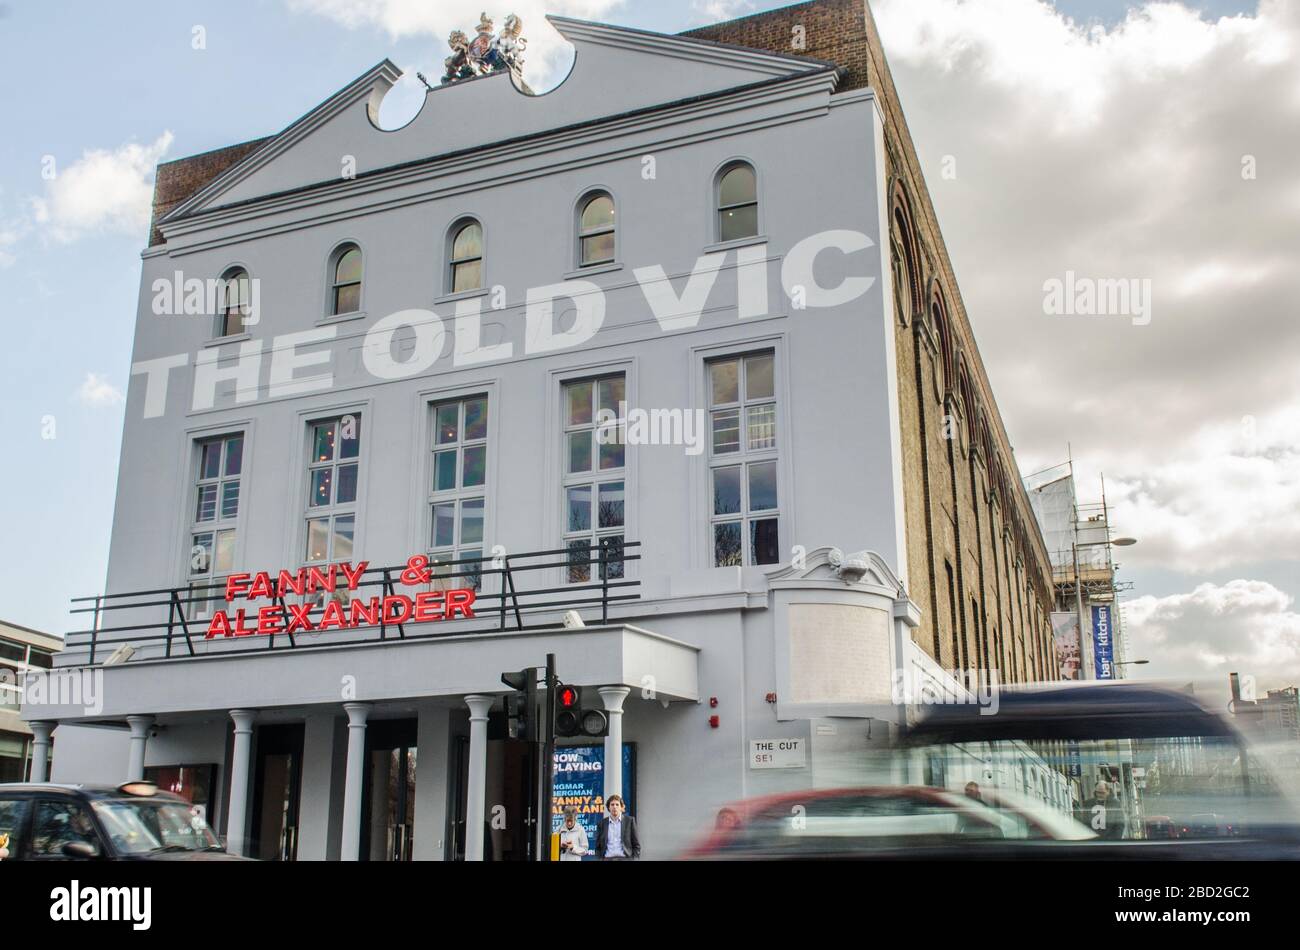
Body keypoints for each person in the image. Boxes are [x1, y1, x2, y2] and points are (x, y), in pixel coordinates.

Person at [595, 794, 640, 860]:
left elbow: (636, 845)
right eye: (612, 804)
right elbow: (598, 846)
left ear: (621, 807)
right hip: (607, 858)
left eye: (617, 804)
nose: (614, 807)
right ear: (609, 807)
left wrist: (634, 859)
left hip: (625, 858)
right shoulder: (602, 824)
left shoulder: (629, 821)